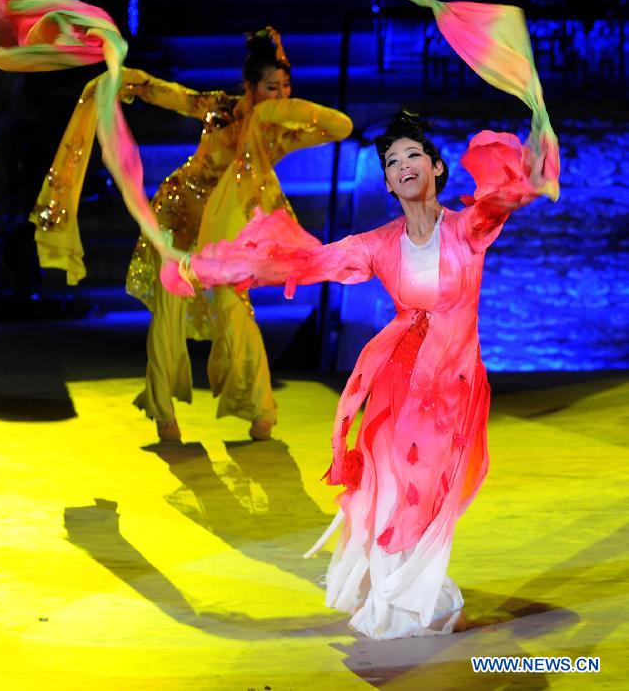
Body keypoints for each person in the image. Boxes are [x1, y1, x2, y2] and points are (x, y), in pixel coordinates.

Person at [177, 109, 559, 638]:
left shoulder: (465, 230)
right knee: (384, 486)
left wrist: (534, 169)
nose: (403, 164)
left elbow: (501, 200)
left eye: (413, 155)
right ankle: (394, 600)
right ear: (386, 180)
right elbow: (306, 262)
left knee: (424, 491)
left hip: (451, 387)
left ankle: (419, 594)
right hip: (397, 380)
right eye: (392, 160)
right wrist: (217, 266)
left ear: (437, 169)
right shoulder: (378, 244)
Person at [32, 27, 352, 443]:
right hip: (179, 215)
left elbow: (340, 126)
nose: (282, 93)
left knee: (234, 310)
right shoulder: (217, 108)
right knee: (168, 311)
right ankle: (163, 413)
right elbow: (167, 94)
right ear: (249, 87)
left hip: (224, 234)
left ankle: (260, 407)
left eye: (286, 85)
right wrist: (125, 78)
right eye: (271, 87)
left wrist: (274, 112)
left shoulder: (280, 130)